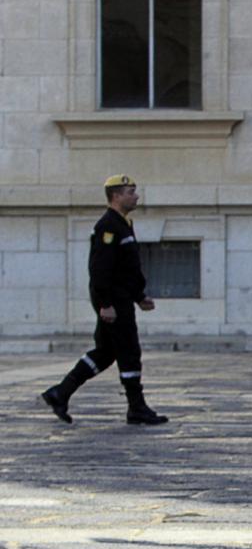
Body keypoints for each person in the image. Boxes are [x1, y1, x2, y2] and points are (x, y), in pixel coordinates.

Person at [40, 175, 168, 426]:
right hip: (113, 302)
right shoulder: (108, 227)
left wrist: (139, 296)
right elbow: (101, 270)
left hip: (120, 298)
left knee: (105, 352)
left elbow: (126, 269)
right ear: (116, 195)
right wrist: (105, 304)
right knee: (128, 350)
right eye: (131, 191)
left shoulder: (123, 224)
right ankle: (136, 407)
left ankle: (60, 393)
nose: (136, 196)